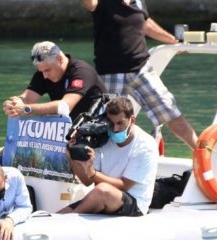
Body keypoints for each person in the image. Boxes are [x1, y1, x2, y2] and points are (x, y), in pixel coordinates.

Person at [81, 0, 198, 150]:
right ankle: (101, 162)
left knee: (171, 112)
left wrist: (173, 41)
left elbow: (145, 23)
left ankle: (202, 155)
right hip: (110, 74)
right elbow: (89, 3)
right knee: (107, 125)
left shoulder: (138, 2)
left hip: (141, 70)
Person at [59, 96, 157, 216]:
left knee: (102, 189)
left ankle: (71, 219)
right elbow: (87, 181)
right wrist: (72, 156)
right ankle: (66, 218)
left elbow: (124, 186)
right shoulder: (103, 138)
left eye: (120, 123)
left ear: (132, 120)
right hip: (102, 196)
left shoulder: (145, 145)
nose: (115, 129)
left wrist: (93, 174)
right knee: (59, 215)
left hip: (134, 202)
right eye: (111, 123)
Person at [2, 41, 107, 122]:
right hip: (70, 129)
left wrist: (26, 109)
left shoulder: (82, 72)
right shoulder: (43, 72)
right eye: (41, 71)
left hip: (97, 127)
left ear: (59, 59)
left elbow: (65, 107)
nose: (45, 76)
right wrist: (14, 105)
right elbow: (27, 98)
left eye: (47, 70)